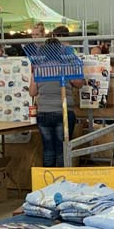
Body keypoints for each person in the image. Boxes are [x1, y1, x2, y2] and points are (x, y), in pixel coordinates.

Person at [28, 36, 84, 167]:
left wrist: (32, 74)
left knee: (48, 150)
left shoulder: (39, 69)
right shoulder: (66, 67)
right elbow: (79, 84)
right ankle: (61, 182)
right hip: (63, 112)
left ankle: (48, 183)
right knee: (61, 150)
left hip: (44, 113)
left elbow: (32, 92)